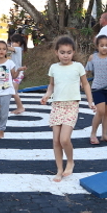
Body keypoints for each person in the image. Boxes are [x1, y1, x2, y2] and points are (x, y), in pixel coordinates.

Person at [40, 36, 95, 182]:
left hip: (71, 105)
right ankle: (59, 170)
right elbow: (51, 85)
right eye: (62, 52)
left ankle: (70, 161)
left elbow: (86, 85)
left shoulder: (78, 67)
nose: (65, 55)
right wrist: (46, 96)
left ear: (74, 52)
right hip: (57, 105)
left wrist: (90, 102)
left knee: (64, 139)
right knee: (56, 141)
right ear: (56, 52)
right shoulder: (54, 68)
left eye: (69, 52)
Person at [85, 34, 107, 145]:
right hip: (97, 88)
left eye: (106, 45)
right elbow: (86, 72)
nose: (104, 48)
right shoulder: (93, 57)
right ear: (97, 46)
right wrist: (82, 82)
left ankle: (105, 135)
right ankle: (93, 134)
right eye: (102, 45)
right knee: (100, 111)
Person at [9, 34, 27, 114]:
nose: (12, 43)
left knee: (13, 91)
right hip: (15, 73)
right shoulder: (16, 49)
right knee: (10, 89)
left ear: (18, 42)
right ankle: (1, 105)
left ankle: (20, 107)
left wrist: (0, 44)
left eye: (13, 42)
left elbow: (8, 48)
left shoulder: (18, 49)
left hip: (18, 73)